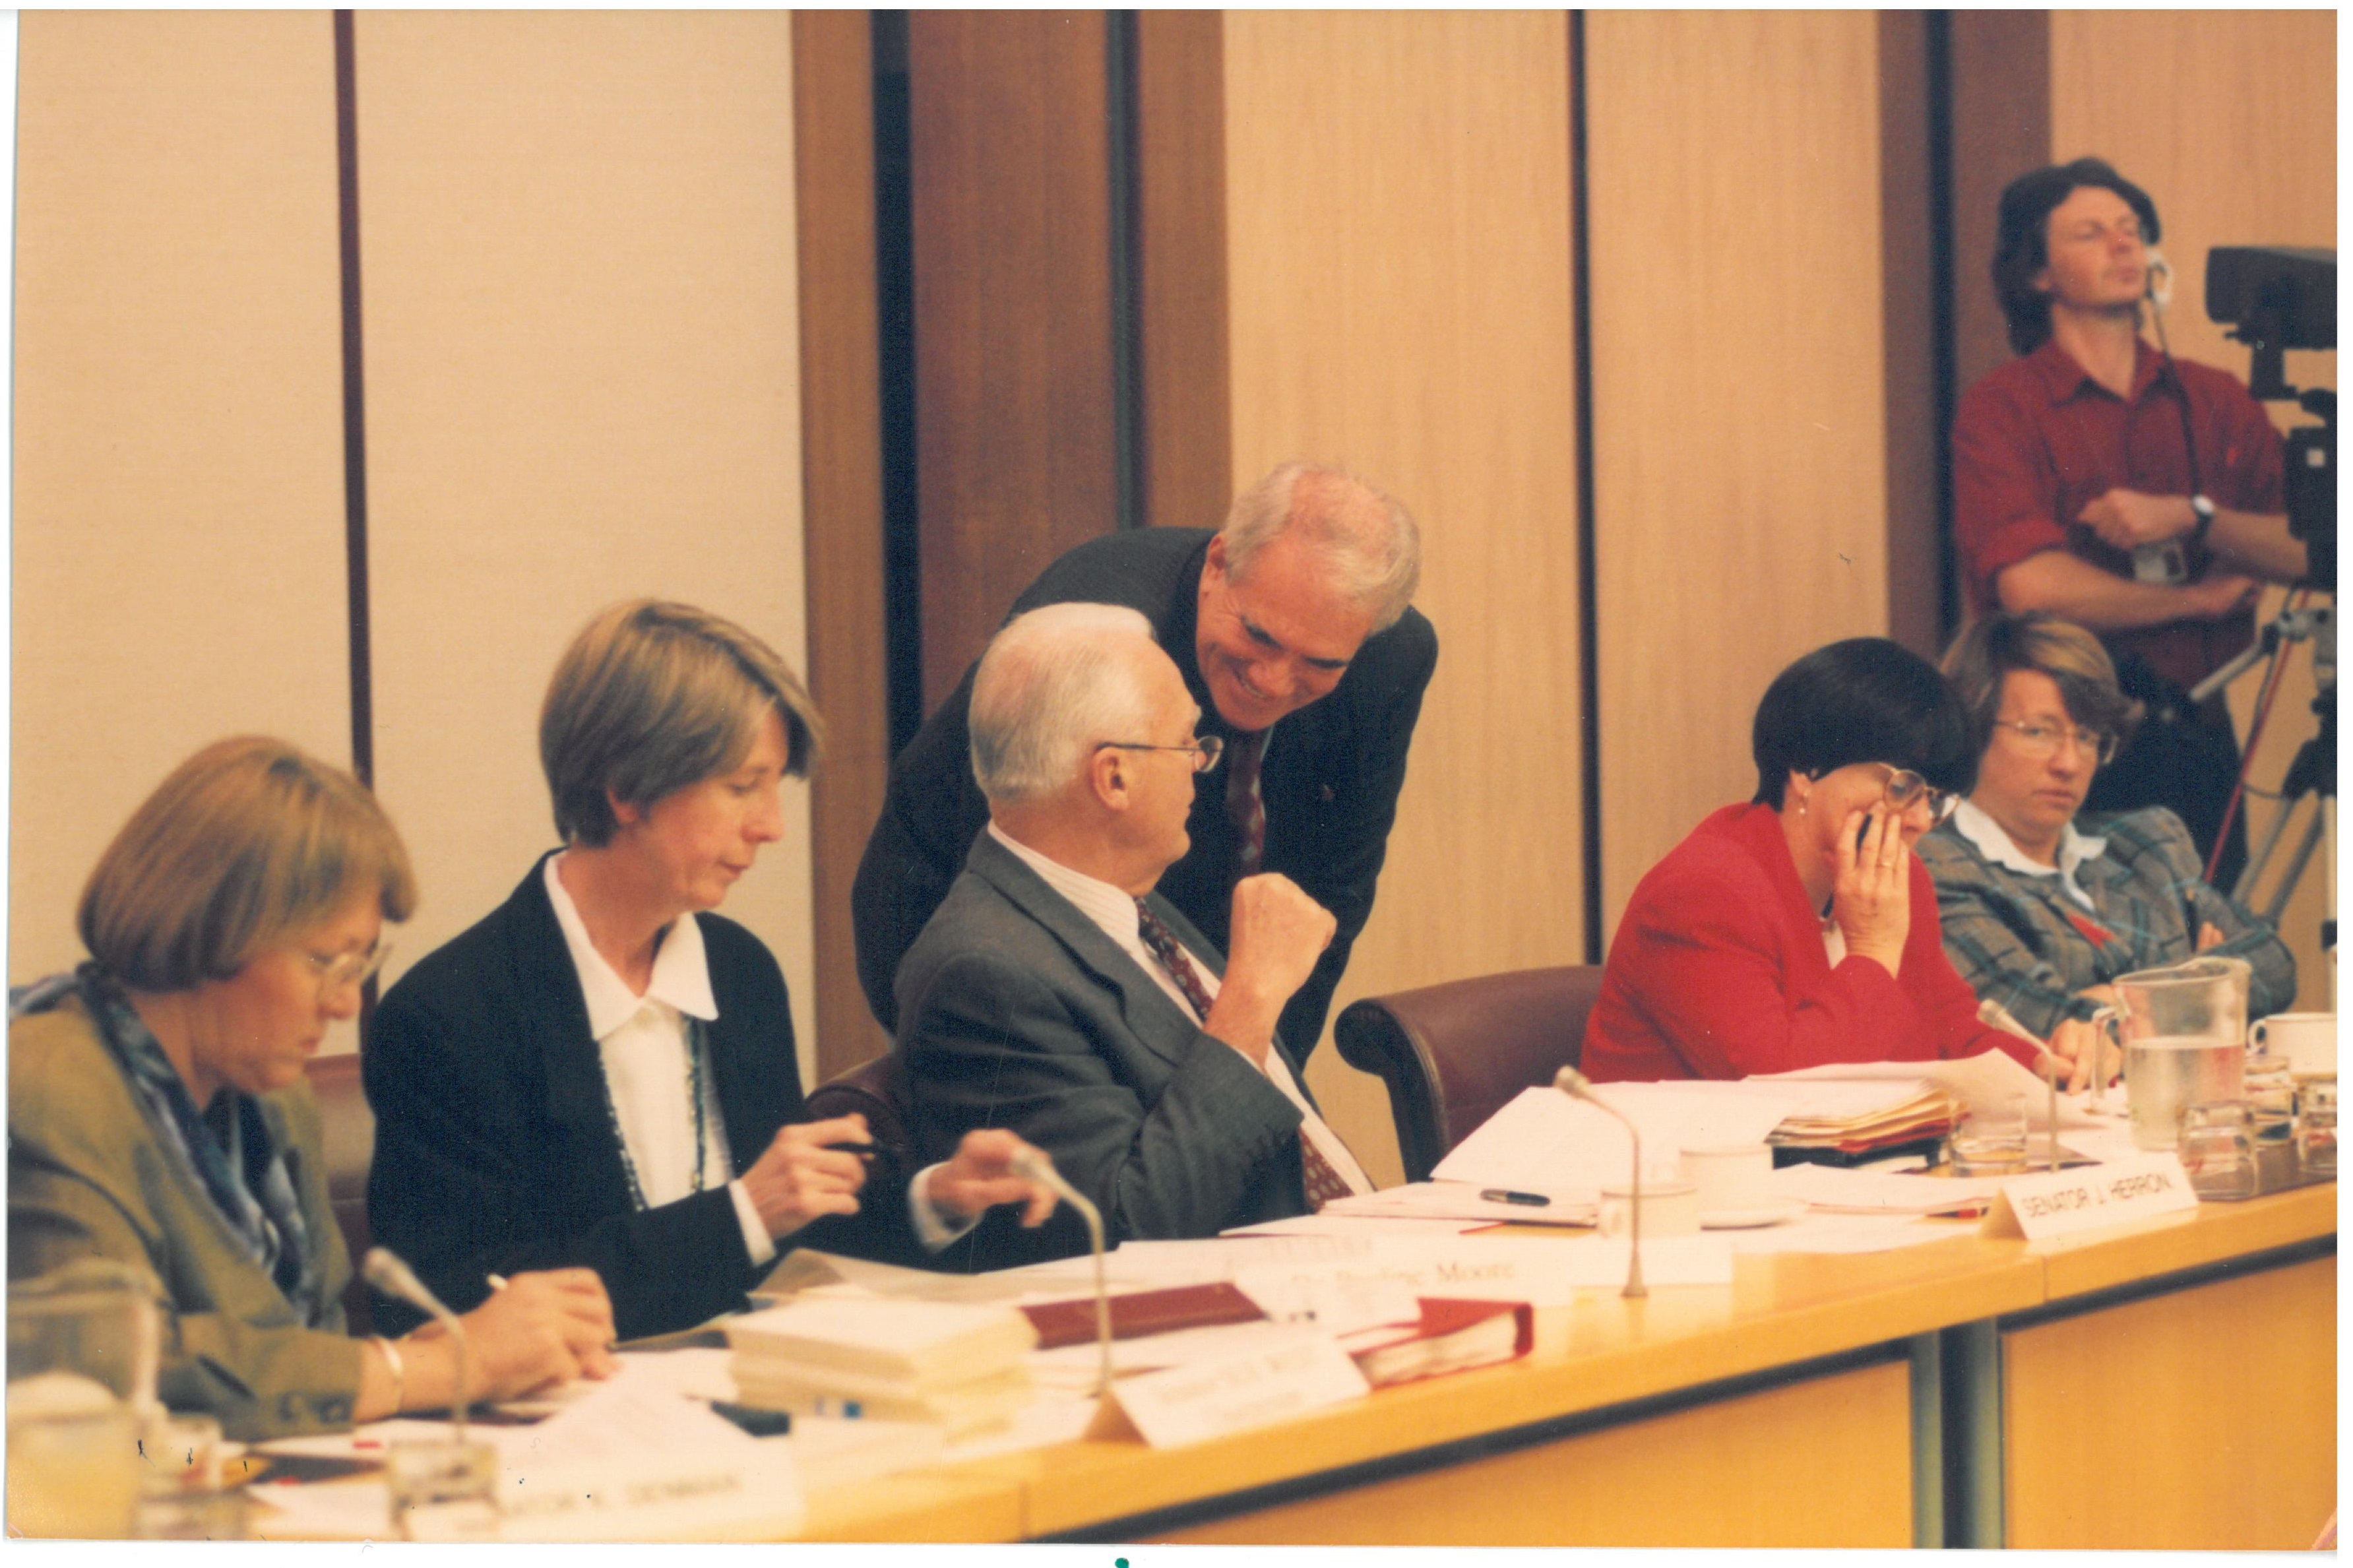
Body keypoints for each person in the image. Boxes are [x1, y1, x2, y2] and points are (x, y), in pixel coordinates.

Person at [365, 602, 1053, 1340]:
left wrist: (936, 1197)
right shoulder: (452, 1013)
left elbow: (785, 1241)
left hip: (749, 1389)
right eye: (741, 786)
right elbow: (446, 1300)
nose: (771, 826)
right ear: (624, 787)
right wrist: (743, 1214)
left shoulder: (738, 972)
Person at [8, 737, 617, 1440]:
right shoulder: (45, 1089)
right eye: (325, 961)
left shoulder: (270, 1095)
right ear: (214, 928)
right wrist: (440, 1365)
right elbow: (113, 1372)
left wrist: (498, 1347)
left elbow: (310, 1343)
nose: (347, 1004)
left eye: (363, 963)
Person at [853, 462, 1436, 1056]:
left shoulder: (1392, 657)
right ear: (1217, 564)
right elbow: (1012, 889)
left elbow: (1331, 887)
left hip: (1185, 940)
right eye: (1259, 634)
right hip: (962, 924)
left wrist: (1266, 1087)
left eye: (1318, 663)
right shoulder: (1099, 636)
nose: (1271, 679)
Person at [897, 603, 1374, 1271]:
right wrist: (1252, 998)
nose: (1200, 767)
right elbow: (1124, 1229)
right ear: (1113, 776)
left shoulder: (1128, 903)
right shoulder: (985, 971)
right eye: (1188, 744)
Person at [1951, 158, 2307, 890]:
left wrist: (2197, 520)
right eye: (2091, 233)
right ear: (2038, 273)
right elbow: (2032, 589)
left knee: (2211, 943)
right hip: (2061, 739)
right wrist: (2196, 600)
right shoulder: (2004, 408)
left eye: (2134, 231)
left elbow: (2312, 552)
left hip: (2199, 732)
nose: (2124, 247)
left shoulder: (2214, 399)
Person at [1581, 639, 2099, 1086]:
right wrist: (1871, 952)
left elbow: (1951, 1031)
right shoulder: (1704, 891)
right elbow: (1779, 1085)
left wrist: (2049, 1065)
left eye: (1936, 799)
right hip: (1668, 1186)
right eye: (1902, 787)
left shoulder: (1898, 879)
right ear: (1806, 768)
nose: (1919, 819)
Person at [1922, 612, 2296, 1041]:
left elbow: (2275, 962)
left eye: (2086, 736)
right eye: (2039, 732)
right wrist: (2206, 982)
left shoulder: (2148, 842)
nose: (2068, 763)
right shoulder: (1935, 866)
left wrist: (2118, 999)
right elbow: (2046, 1021)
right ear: (1972, 729)